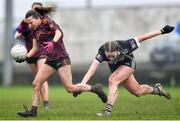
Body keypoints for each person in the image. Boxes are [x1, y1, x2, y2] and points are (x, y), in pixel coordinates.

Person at [17, 9, 107, 117]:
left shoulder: (47, 22)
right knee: (36, 83)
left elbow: (59, 33)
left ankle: (95, 89)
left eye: (31, 22)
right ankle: (33, 111)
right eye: (28, 23)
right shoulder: (34, 31)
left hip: (61, 58)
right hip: (50, 60)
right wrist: (25, 57)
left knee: (70, 88)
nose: (30, 25)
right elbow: (35, 48)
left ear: (37, 18)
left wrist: (52, 43)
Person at [73, 25, 174, 116]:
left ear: (118, 51)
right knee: (137, 91)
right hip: (118, 69)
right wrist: (82, 86)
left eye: (113, 56)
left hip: (129, 64)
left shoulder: (126, 45)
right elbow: (91, 71)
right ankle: (158, 90)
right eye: (109, 57)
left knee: (113, 80)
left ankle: (108, 110)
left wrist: (162, 31)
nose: (111, 59)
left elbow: (143, 37)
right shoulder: (101, 53)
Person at [14, 2, 49, 109]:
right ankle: (37, 101)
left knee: (42, 77)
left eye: (39, 9)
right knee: (37, 79)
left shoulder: (45, 21)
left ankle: (46, 102)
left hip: (41, 52)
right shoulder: (25, 22)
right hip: (30, 52)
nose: (37, 11)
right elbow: (16, 35)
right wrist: (22, 34)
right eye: (35, 9)